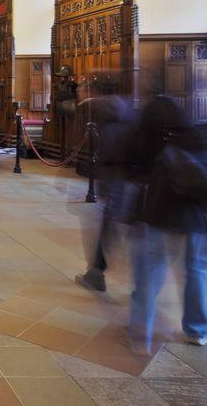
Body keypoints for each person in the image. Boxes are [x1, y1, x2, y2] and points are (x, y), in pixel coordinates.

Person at [127, 96, 207, 353]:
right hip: (193, 214)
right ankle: (198, 329)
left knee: (149, 272)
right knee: (198, 270)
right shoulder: (194, 137)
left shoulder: (144, 140)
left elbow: (131, 172)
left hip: (155, 212)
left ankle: (139, 327)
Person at [74, 78, 136, 293]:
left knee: (113, 225)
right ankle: (98, 272)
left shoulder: (99, 110)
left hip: (116, 176)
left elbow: (110, 147)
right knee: (122, 226)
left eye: (83, 89)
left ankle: (97, 273)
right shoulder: (126, 108)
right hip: (130, 176)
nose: (80, 93)